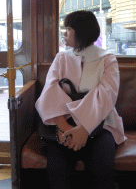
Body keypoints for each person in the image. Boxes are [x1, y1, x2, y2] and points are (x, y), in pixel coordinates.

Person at [35, 10, 126, 189]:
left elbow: (106, 96)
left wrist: (84, 129)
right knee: (57, 170)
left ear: (81, 32)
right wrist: (66, 127)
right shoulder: (62, 58)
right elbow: (50, 91)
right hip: (63, 123)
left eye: (68, 29)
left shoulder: (107, 59)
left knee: (102, 168)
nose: (64, 33)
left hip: (102, 124)